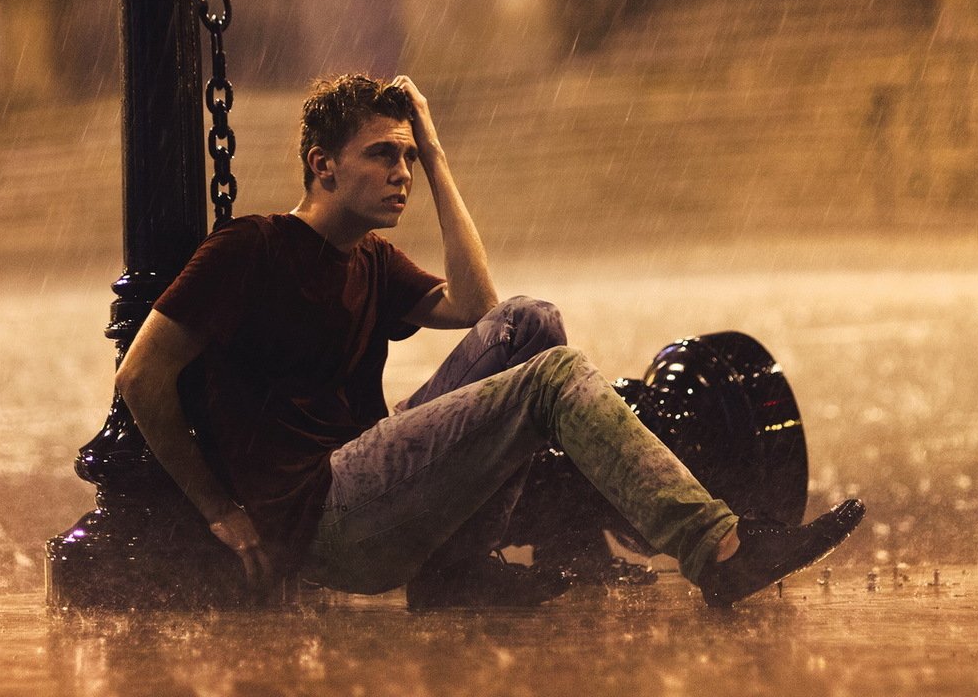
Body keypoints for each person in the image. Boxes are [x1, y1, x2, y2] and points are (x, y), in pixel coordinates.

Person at [114, 72, 863, 608]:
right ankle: (721, 551)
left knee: (531, 322)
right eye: (384, 154)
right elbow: (141, 377)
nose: (400, 171)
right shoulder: (251, 250)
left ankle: (457, 572)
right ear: (323, 166)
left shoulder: (369, 259)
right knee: (552, 375)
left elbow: (479, 306)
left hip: (365, 479)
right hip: (322, 516)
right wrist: (218, 510)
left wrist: (438, 155)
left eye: (407, 156)